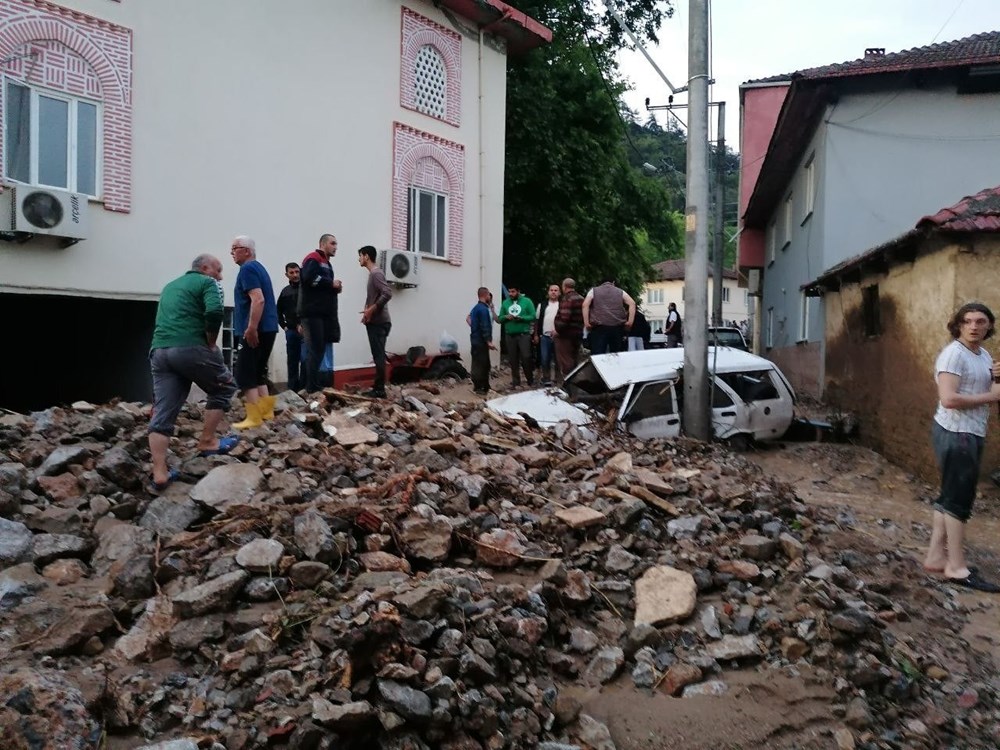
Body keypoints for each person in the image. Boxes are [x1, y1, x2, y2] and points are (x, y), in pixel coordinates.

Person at [923, 302, 1000, 592]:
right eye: (967, 321)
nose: (974, 326)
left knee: (949, 496)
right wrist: (992, 396)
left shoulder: (981, 354)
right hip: (957, 434)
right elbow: (949, 399)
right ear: (958, 325)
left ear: (989, 326)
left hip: (970, 432)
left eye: (980, 321)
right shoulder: (954, 355)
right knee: (959, 501)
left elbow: (987, 388)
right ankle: (956, 567)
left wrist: (996, 377)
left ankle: (935, 557)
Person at [147, 254, 238, 491]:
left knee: (163, 412)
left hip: (159, 351)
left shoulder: (169, 286)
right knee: (224, 388)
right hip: (190, 347)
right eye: (218, 270)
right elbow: (215, 312)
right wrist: (211, 341)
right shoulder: (207, 283)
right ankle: (208, 440)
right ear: (205, 268)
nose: (220, 276)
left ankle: (159, 473)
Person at [230, 235, 279, 429]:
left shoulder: (247, 269)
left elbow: (258, 299)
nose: (232, 252)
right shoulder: (260, 268)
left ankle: (254, 417)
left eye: (235, 248)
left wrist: (251, 328)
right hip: (269, 327)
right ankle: (267, 413)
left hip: (255, 329)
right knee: (259, 371)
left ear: (247, 251)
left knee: (245, 373)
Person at [299, 233, 342, 393]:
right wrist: (331, 283)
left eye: (336, 244)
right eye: (332, 243)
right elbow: (309, 278)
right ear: (323, 244)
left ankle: (314, 385)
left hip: (322, 314)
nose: (335, 247)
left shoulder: (327, 264)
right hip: (312, 313)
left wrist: (335, 288)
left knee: (319, 349)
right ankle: (311, 386)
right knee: (315, 349)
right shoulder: (313, 258)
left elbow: (322, 287)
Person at [357, 245, 393, 398]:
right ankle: (378, 387)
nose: (359, 259)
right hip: (376, 321)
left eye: (360, 256)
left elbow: (387, 293)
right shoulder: (373, 274)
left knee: (378, 356)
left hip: (379, 323)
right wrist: (367, 312)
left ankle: (379, 390)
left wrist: (372, 309)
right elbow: (374, 296)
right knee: (377, 355)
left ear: (366, 256)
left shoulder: (376, 273)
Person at [582, 277, 635, 355]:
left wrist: (587, 323)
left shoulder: (594, 291)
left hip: (599, 327)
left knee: (598, 354)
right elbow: (632, 303)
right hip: (617, 327)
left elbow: (585, 305)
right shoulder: (620, 291)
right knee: (616, 355)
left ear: (601, 283)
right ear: (613, 282)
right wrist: (630, 322)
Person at [498, 284, 536, 388]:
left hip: (523, 334)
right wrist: (506, 317)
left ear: (518, 291)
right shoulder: (505, 303)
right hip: (510, 335)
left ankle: (530, 380)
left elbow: (533, 315)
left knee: (526, 357)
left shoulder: (527, 301)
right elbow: (500, 318)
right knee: (513, 359)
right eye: (509, 291)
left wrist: (522, 318)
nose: (510, 294)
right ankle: (516, 381)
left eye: (513, 292)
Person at [276, 262, 304, 392]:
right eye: (291, 273)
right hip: (291, 332)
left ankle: (305, 389)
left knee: (306, 360)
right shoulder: (285, 292)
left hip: (306, 331)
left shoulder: (306, 289)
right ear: (286, 275)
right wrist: (284, 326)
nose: (295, 275)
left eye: (297, 272)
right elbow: (278, 311)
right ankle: (292, 390)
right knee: (292, 361)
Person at [554, 277, 584, 385]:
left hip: (566, 335)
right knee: (575, 359)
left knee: (566, 361)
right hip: (578, 333)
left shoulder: (567, 299)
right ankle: (575, 383)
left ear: (564, 286)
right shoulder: (581, 298)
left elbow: (565, 318)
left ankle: (568, 385)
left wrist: (558, 330)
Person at [469, 286, 497, 394]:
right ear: (486, 295)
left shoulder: (475, 308)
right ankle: (482, 388)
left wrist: (474, 328)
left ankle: (478, 386)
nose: (490, 296)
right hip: (481, 341)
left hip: (474, 340)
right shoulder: (483, 309)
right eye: (489, 294)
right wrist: (488, 341)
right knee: (483, 364)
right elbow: (485, 326)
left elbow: (468, 319)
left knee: (476, 363)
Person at [534, 283, 561, 386]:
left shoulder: (562, 305)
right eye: (551, 290)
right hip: (545, 336)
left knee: (558, 360)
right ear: (548, 292)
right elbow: (537, 321)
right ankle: (546, 378)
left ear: (559, 293)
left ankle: (558, 380)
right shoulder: (542, 305)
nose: (553, 292)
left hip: (558, 337)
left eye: (555, 290)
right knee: (545, 358)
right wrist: (536, 334)